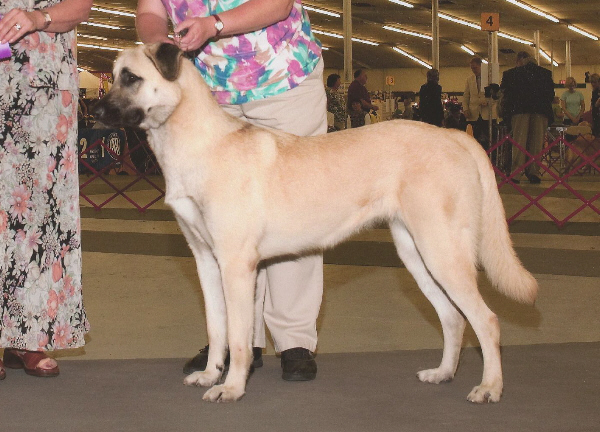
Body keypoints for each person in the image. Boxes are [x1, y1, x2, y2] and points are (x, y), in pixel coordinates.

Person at [136, 0, 325, 381]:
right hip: (212, 92)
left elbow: (278, 4)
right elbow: (150, 12)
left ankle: (294, 340)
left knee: (294, 213)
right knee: (222, 227)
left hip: (281, 76)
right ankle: (237, 342)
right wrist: (160, 46)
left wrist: (214, 25)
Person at [0, 0, 92, 381]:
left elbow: (81, 6)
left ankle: (29, 335)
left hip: (46, 92)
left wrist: (38, 18)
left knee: (40, 217)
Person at [500, 51, 554, 184]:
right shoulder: (546, 73)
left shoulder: (511, 74)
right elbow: (551, 95)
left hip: (519, 111)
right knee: (536, 143)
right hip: (541, 111)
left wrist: (505, 114)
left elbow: (506, 95)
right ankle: (534, 173)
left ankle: (516, 173)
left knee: (519, 142)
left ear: (520, 61)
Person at [464, 57, 497, 150]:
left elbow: (496, 96)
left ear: (481, 66)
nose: (473, 70)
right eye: (472, 68)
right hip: (474, 114)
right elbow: (466, 96)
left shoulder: (490, 79)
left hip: (488, 114)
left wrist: (488, 102)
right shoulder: (469, 79)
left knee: (489, 140)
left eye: (475, 68)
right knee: (475, 139)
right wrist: (465, 109)